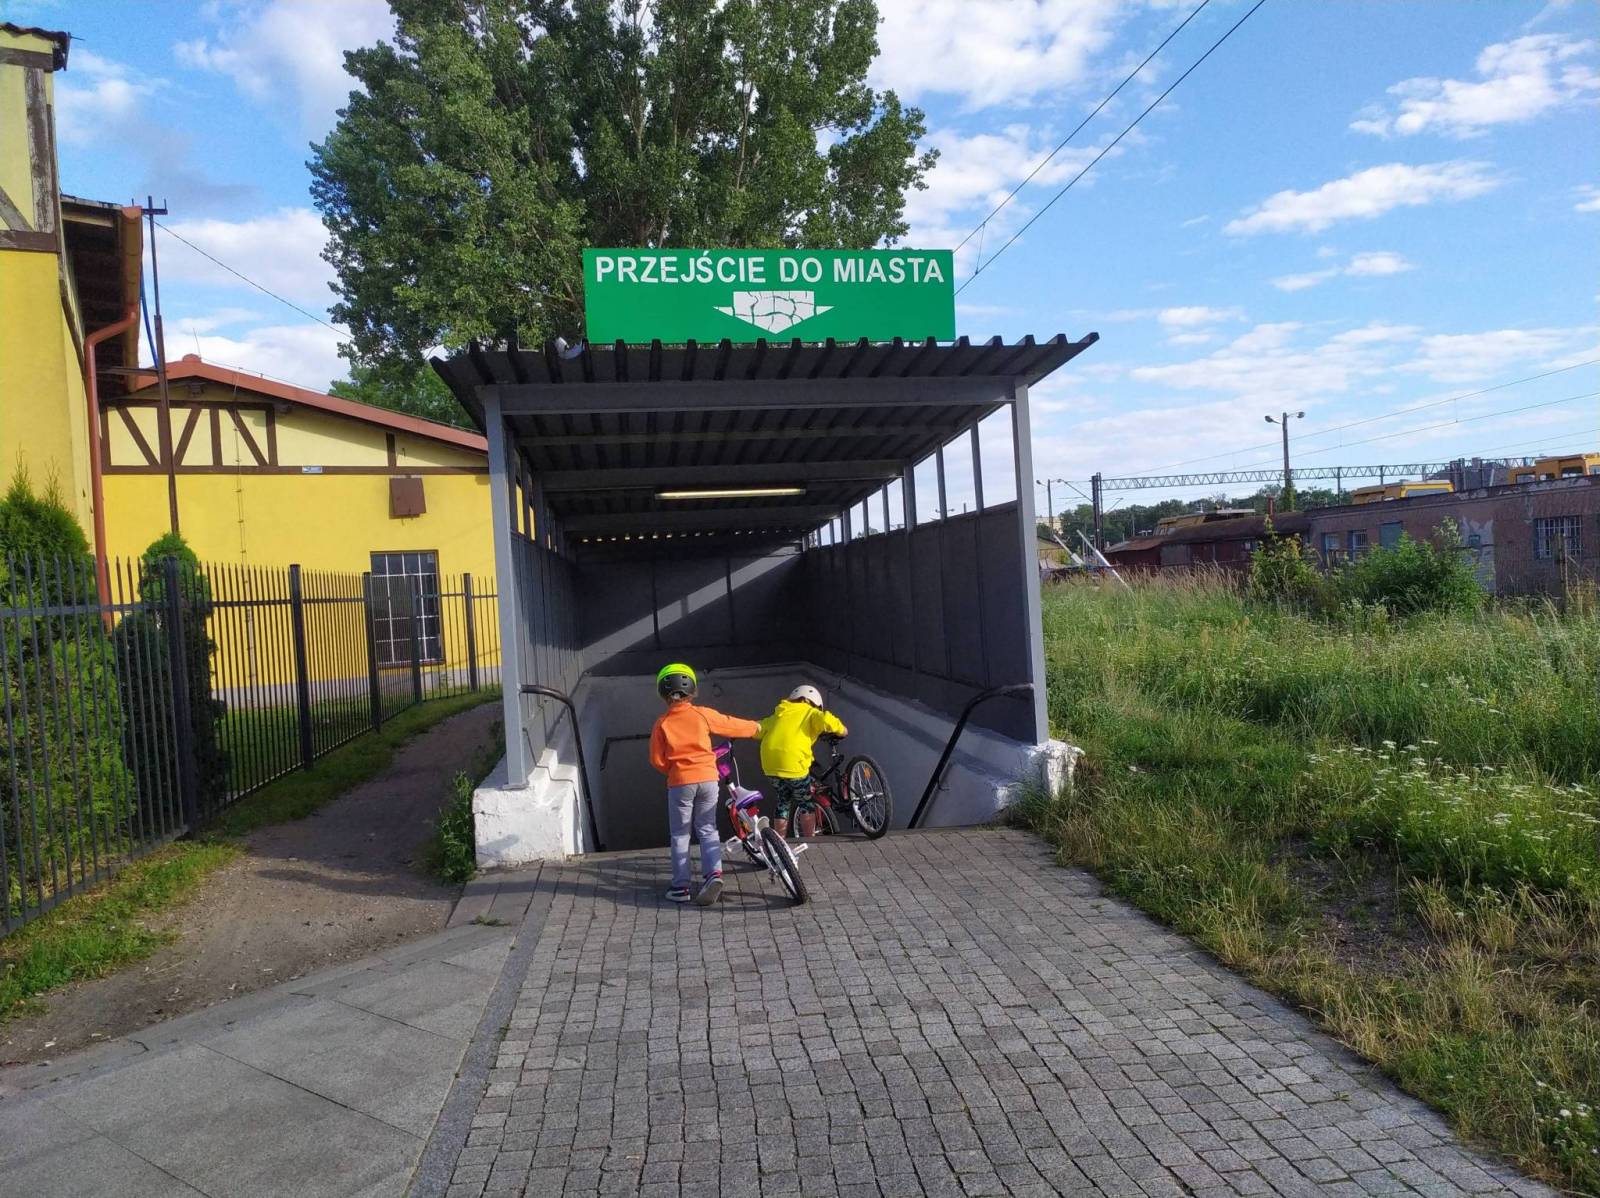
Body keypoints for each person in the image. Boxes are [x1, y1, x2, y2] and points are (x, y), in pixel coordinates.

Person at [649, 662, 761, 905]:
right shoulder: (702, 714)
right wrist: (757, 728)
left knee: (680, 835)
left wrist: (675, 771)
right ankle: (713, 876)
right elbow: (730, 723)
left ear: (662, 693)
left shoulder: (662, 723)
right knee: (708, 828)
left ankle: (680, 888)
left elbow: (657, 760)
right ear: (692, 690)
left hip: (680, 783)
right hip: (709, 779)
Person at [759, 684, 847, 839]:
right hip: (793, 764)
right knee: (805, 803)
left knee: (783, 801)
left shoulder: (780, 713)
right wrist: (843, 730)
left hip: (770, 764)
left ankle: (779, 843)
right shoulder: (810, 712)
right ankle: (810, 841)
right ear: (814, 702)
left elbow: (758, 728)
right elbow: (826, 720)